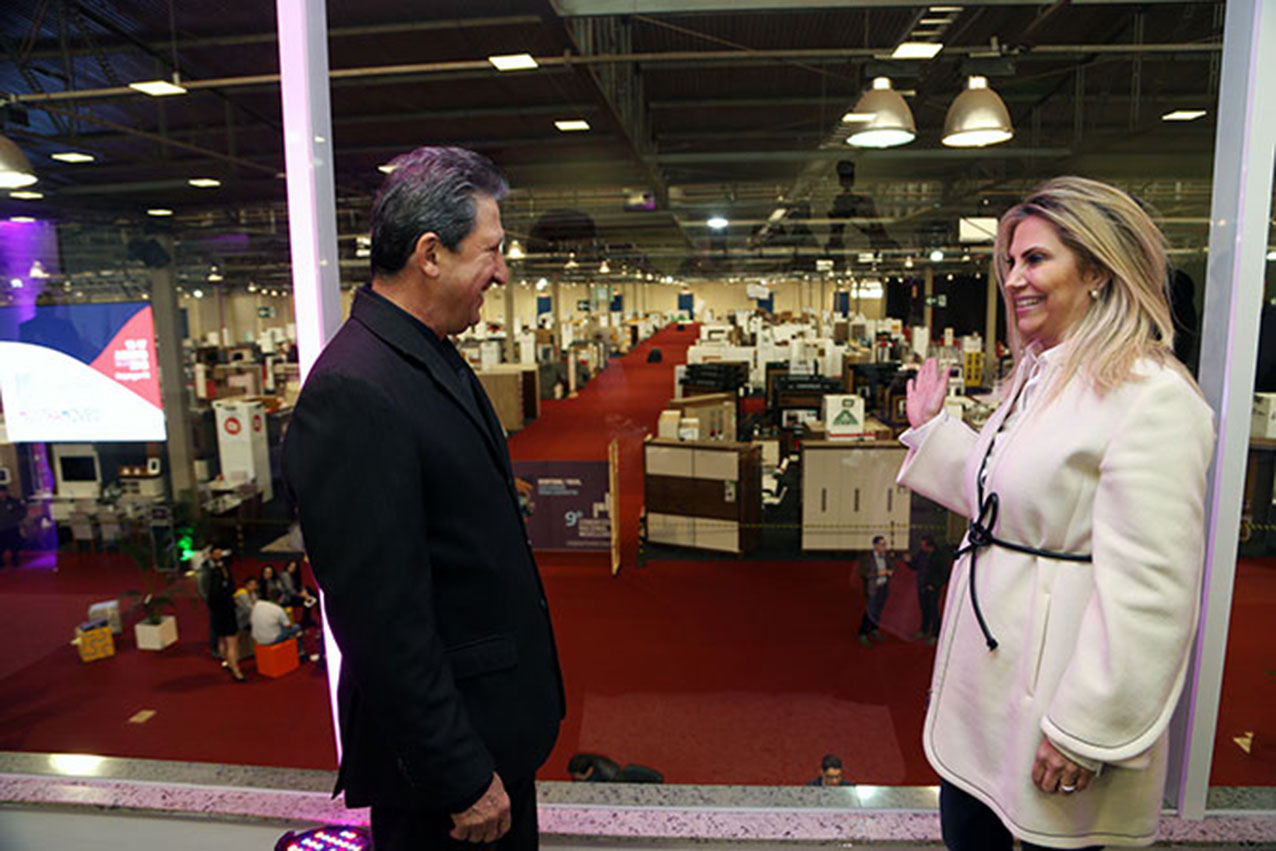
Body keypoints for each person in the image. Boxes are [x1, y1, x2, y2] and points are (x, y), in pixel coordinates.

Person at [898, 177, 1214, 849]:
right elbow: (1020, 503)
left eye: (1036, 259)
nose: (1014, 278)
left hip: (1053, 701)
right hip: (990, 688)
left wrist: (1086, 729)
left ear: (1097, 270)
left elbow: (1153, 591)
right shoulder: (1041, 375)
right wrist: (933, 433)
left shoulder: (1152, 395)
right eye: (1012, 261)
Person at [283, 146, 565, 851]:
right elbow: (382, 622)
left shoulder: (423, 352)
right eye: (491, 251)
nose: (502, 271)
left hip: (489, 737)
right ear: (431, 254)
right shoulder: (354, 390)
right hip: (449, 784)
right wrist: (458, 774)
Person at [205, 548, 245, 681]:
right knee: (232, 642)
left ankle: (227, 662)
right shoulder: (223, 587)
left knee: (222, 640)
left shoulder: (209, 577)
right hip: (227, 612)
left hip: (216, 612)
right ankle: (236, 670)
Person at [908, 535, 950, 644]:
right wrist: (908, 561)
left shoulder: (940, 556)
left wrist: (935, 585)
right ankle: (924, 630)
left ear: (929, 545)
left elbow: (944, 573)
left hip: (933, 588)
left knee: (933, 611)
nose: (921, 547)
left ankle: (935, 634)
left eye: (923, 545)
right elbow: (915, 565)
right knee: (924, 610)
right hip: (922, 586)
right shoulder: (922, 554)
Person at [856, 535, 893, 645]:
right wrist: (879, 573)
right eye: (882, 544)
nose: (884, 546)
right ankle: (862, 633)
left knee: (878, 610)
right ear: (875, 546)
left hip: (883, 587)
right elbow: (864, 573)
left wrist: (891, 570)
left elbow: (891, 566)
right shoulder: (867, 557)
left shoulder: (886, 556)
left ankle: (874, 629)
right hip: (873, 588)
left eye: (885, 544)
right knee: (870, 611)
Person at [251, 588, 303, 659]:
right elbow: (288, 626)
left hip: (257, 639)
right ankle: (300, 653)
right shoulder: (279, 610)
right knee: (296, 627)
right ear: (280, 599)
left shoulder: (258, 604)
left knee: (280, 627)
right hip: (271, 640)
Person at [0, 484, 24, 568]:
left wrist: (16, 519)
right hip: (1, 529)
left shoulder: (14, 501)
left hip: (11, 527)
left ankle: (15, 559)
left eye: (2, 492)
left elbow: (21, 511)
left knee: (14, 545)